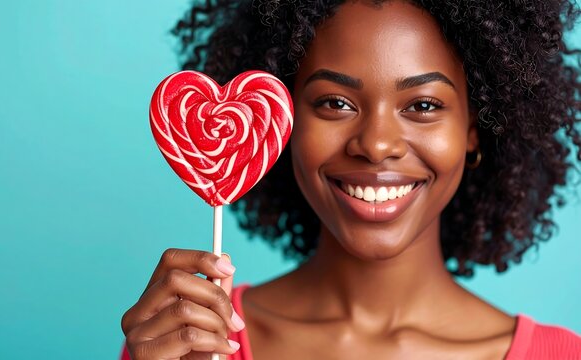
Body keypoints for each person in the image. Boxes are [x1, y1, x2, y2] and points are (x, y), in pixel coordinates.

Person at [121, 0, 581, 359]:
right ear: (283, 122)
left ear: (473, 129)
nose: (377, 144)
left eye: (422, 105)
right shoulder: (187, 339)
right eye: (335, 103)